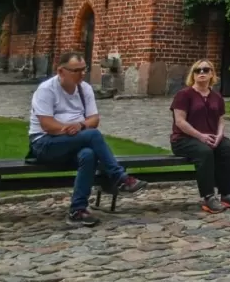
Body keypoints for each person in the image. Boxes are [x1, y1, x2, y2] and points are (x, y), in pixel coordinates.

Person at [28, 50, 146, 226]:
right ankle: (119, 177)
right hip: (44, 143)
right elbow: (47, 125)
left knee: (88, 155)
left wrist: (80, 126)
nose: (82, 74)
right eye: (76, 70)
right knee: (92, 135)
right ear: (61, 71)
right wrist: (69, 129)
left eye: (84, 69)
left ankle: (77, 210)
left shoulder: (85, 89)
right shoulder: (46, 90)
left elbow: (94, 119)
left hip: (74, 142)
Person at [170, 59, 230, 214]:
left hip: (210, 137)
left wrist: (219, 136)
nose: (201, 73)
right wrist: (200, 136)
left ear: (212, 74)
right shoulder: (184, 95)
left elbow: (221, 121)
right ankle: (208, 196)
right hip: (184, 139)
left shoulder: (217, 97)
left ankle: (227, 193)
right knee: (205, 152)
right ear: (193, 74)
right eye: (198, 70)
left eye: (206, 70)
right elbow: (180, 121)